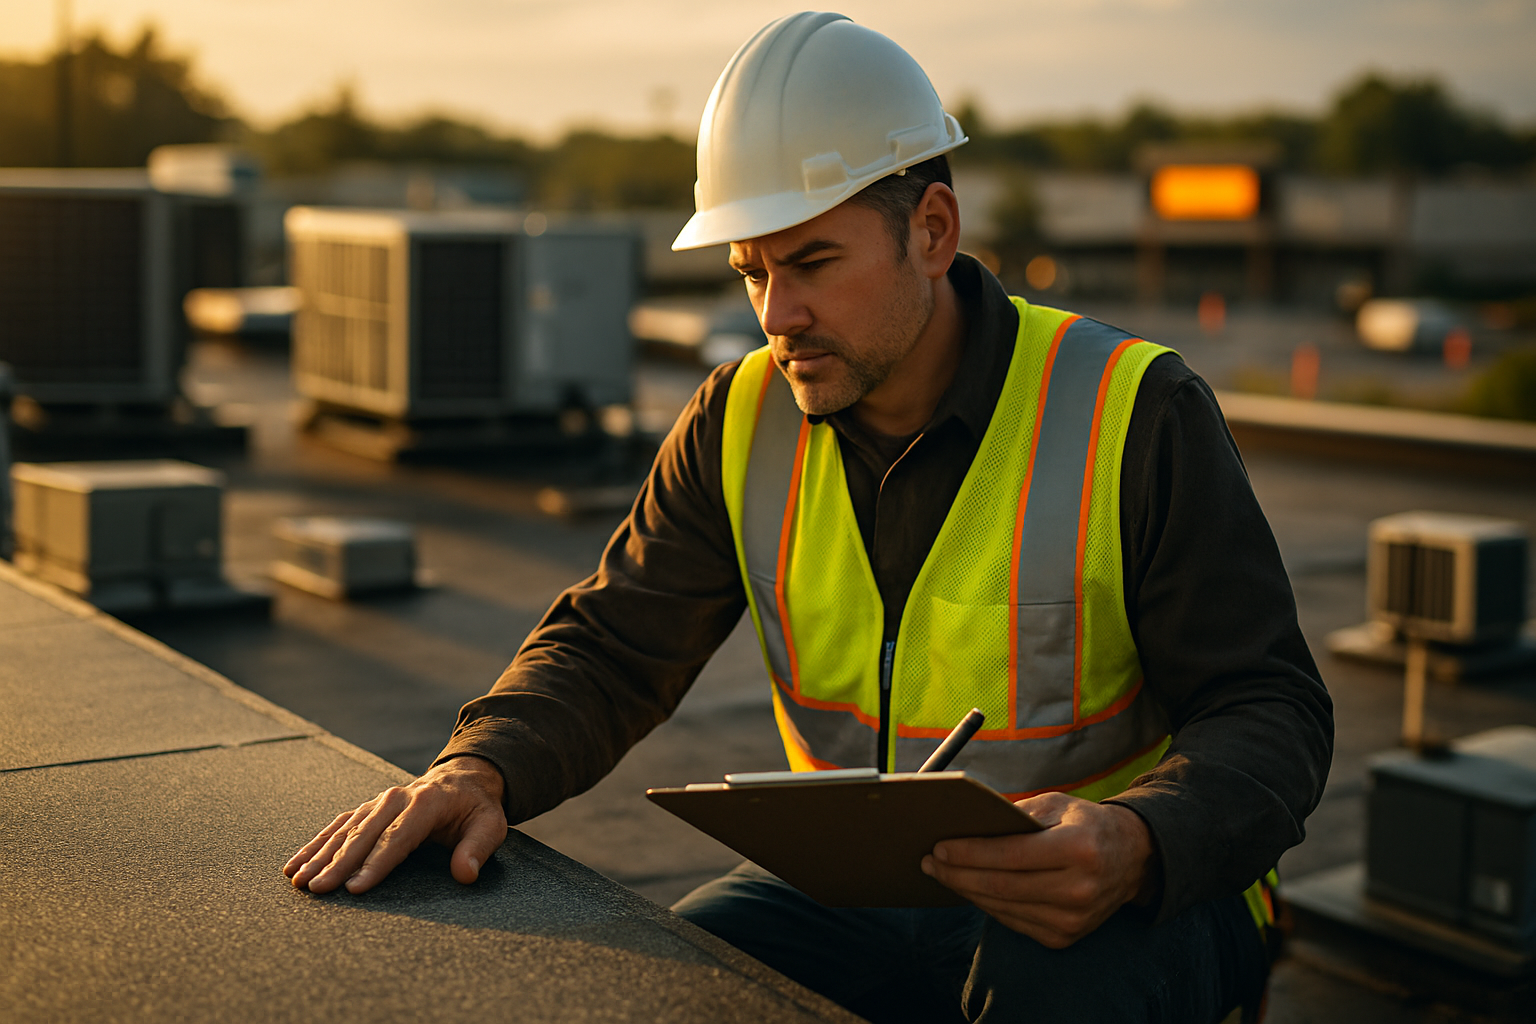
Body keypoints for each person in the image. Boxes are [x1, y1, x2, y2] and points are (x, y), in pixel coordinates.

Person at [284, 13, 1332, 1023]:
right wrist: (484, 763)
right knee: (686, 984)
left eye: (813, 263)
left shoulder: (1133, 409)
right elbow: (611, 647)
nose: (777, 316)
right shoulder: (740, 417)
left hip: (1133, 892)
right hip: (865, 884)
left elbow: (1271, 709)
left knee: (1051, 995)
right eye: (752, 273)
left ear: (932, 231)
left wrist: (1139, 839)